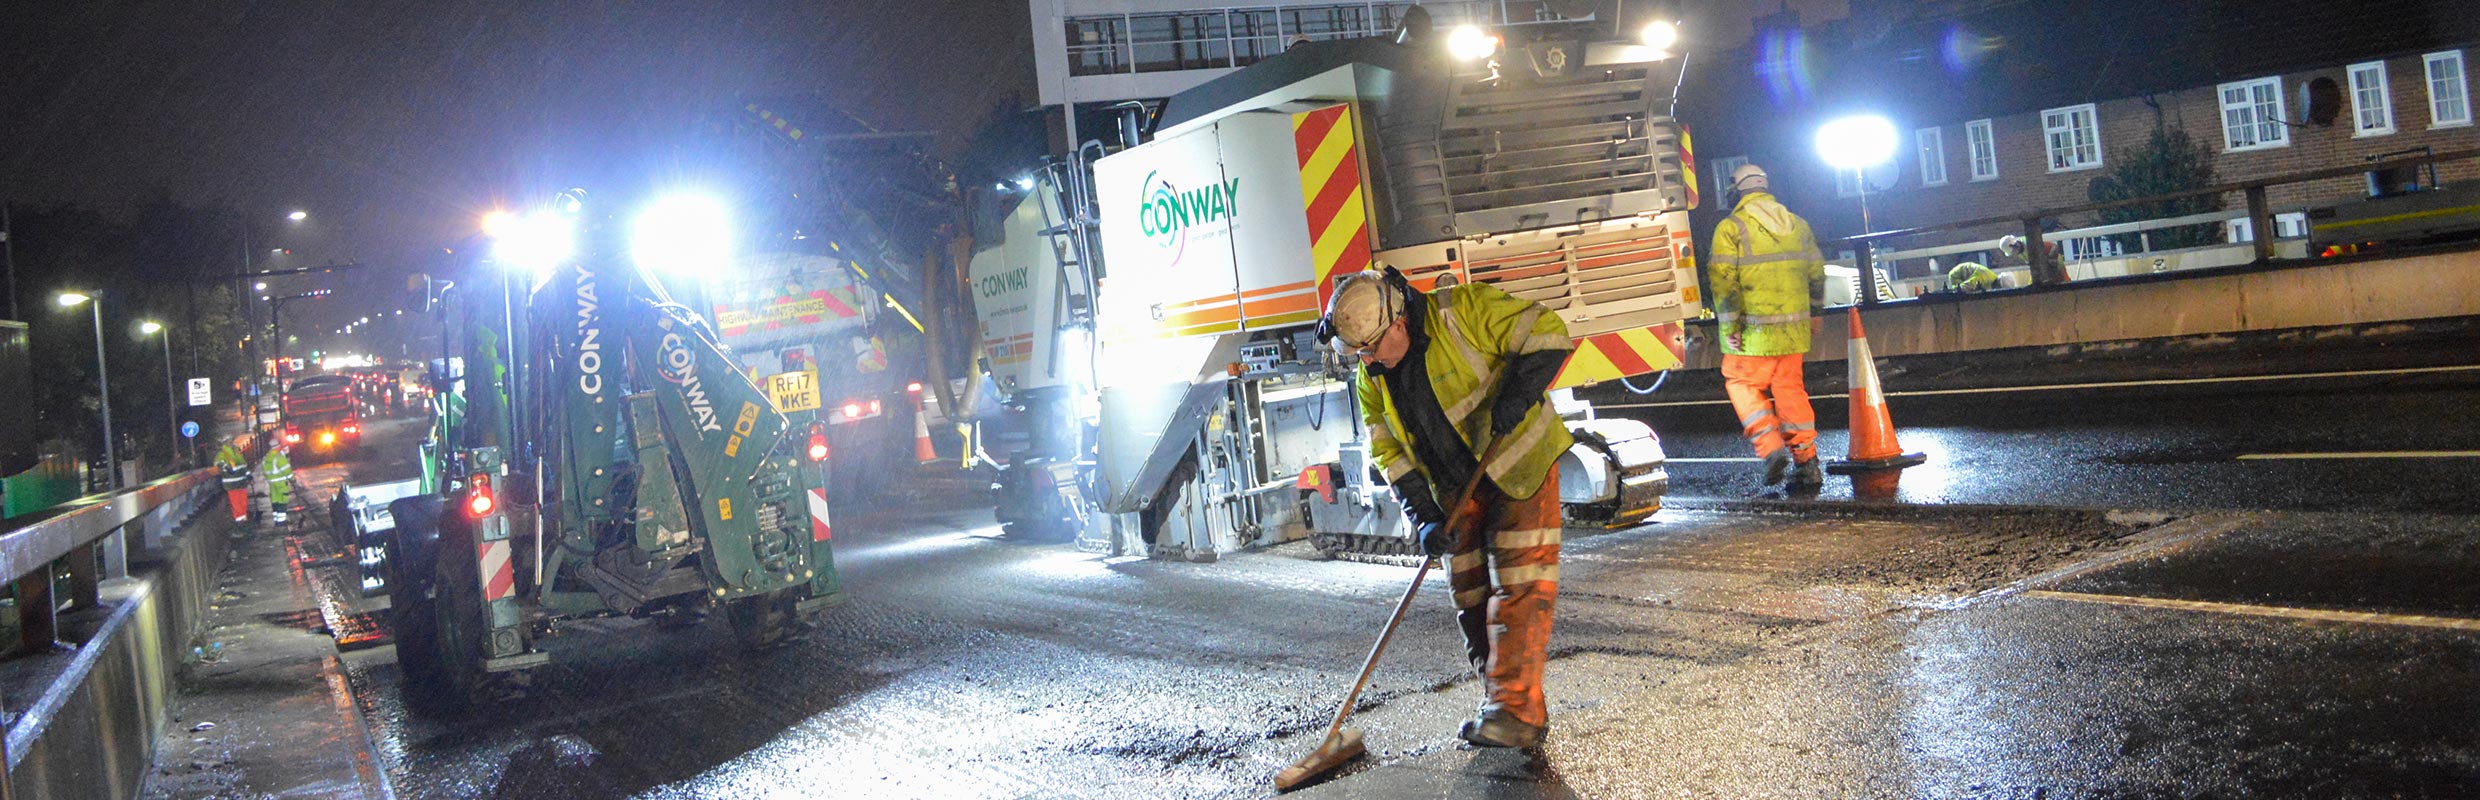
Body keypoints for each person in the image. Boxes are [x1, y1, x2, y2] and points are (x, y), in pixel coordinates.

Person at [1318, 266, 1573, 749]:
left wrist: (1518, 395)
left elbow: (1549, 332)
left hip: (1521, 465)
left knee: (1519, 590)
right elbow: (1388, 451)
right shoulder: (1372, 378)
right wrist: (1424, 518)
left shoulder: (1462, 312)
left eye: (1371, 348)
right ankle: (1513, 707)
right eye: (1359, 353)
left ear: (1399, 324)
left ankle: (1511, 711)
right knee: (1471, 596)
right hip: (1456, 490)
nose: (1367, 361)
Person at [1708, 163, 1827, 491]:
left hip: (1753, 334)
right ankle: (1808, 463)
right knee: (1790, 391)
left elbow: (1723, 280)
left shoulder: (1731, 228)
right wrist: (1815, 312)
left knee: (1740, 383)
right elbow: (1816, 273)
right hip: (1793, 332)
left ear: (1736, 191)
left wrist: (1730, 323)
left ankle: (1771, 448)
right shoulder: (1797, 224)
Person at [215, 438, 252, 522]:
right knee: (236, 503)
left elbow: (243, 466)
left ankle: (243, 519)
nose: (231, 442)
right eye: (229, 441)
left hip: (241, 482)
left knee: (243, 501)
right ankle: (239, 521)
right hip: (231, 483)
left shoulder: (237, 453)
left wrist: (248, 475)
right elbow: (218, 463)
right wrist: (226, 468)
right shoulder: (223, 454)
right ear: (225, 443)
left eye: (231, 441)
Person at [260, 434, 295, 526]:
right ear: (277, 446)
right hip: (280, 482)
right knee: (282, 500)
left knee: (275, 500)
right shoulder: (278, 456)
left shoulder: (267, 457)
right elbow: (287, 469)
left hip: (271, 483)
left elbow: (264, 470)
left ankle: (277, 520)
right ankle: (281, 521)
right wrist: (292, 479)